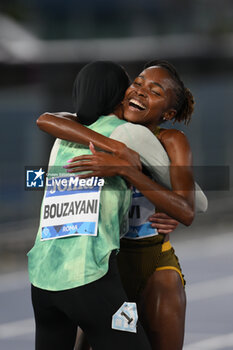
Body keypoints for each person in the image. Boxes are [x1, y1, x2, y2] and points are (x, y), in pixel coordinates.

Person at [37, 60, 208, 350]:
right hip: (108, 267)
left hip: (153, 266)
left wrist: (127, 170)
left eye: (154, 91)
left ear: (167, 113)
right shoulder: (102, 126)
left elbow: (188, 208)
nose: (140, 92)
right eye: (138, 83)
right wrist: (115, 148)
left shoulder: (172, 140)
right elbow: (45, 119)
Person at [28, 61, 152, 350]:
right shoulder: (128, 133)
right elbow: (192, 198)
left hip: (43, 284)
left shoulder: (63, 136)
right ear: (120, 95)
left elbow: (45, 119)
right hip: (93, 278)